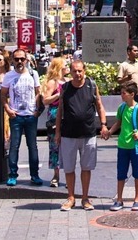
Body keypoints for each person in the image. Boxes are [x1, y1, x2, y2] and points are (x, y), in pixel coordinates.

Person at [56, 60, 107, 211]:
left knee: (86, 168)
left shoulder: (91, 86)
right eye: (74, 71)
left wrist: (103, 124)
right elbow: (60, 111)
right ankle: (71, 197)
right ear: (70, 72)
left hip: (88, 133)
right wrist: (57, 132)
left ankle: (85, 198)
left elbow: (99, 105)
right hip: (68, 134)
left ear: (84, 71)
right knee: (69, 168)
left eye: (80, 71)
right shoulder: (65, 88)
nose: (77, 74)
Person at [105, 81, 138, 212]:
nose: (121, 96)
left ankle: (137, 199)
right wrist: (110, 132)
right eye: (121, 93)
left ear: (132, 94)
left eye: (124, 93)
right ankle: (119, 200)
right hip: (122, 145)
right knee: (121, 173)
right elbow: (119, 122)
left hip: (135, 146)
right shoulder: (122, 108)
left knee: (137, 173)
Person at [2, 48, 44, 188]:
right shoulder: (8, 76)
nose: (19, 62)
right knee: (14, 146)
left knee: (33, 146)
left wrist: (37, 110)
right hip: (16, 116)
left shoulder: (34, 74)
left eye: (22, 59)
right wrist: (8, 110)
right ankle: (12, 175)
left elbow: (38, 92)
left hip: (31, 115)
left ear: (26, 60)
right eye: (17, 59)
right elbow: (3, 95)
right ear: (12, 60)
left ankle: (35, 175)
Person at [42, 56, 67, 188]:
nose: (67, 67)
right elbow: (45, 100)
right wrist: (59, 94)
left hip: (68, 114)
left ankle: (69, 175)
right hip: (54, 113)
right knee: (54, 146)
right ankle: (56, 175)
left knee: (68, 146)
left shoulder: (68, 81)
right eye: (65, 65)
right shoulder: (53, 82)